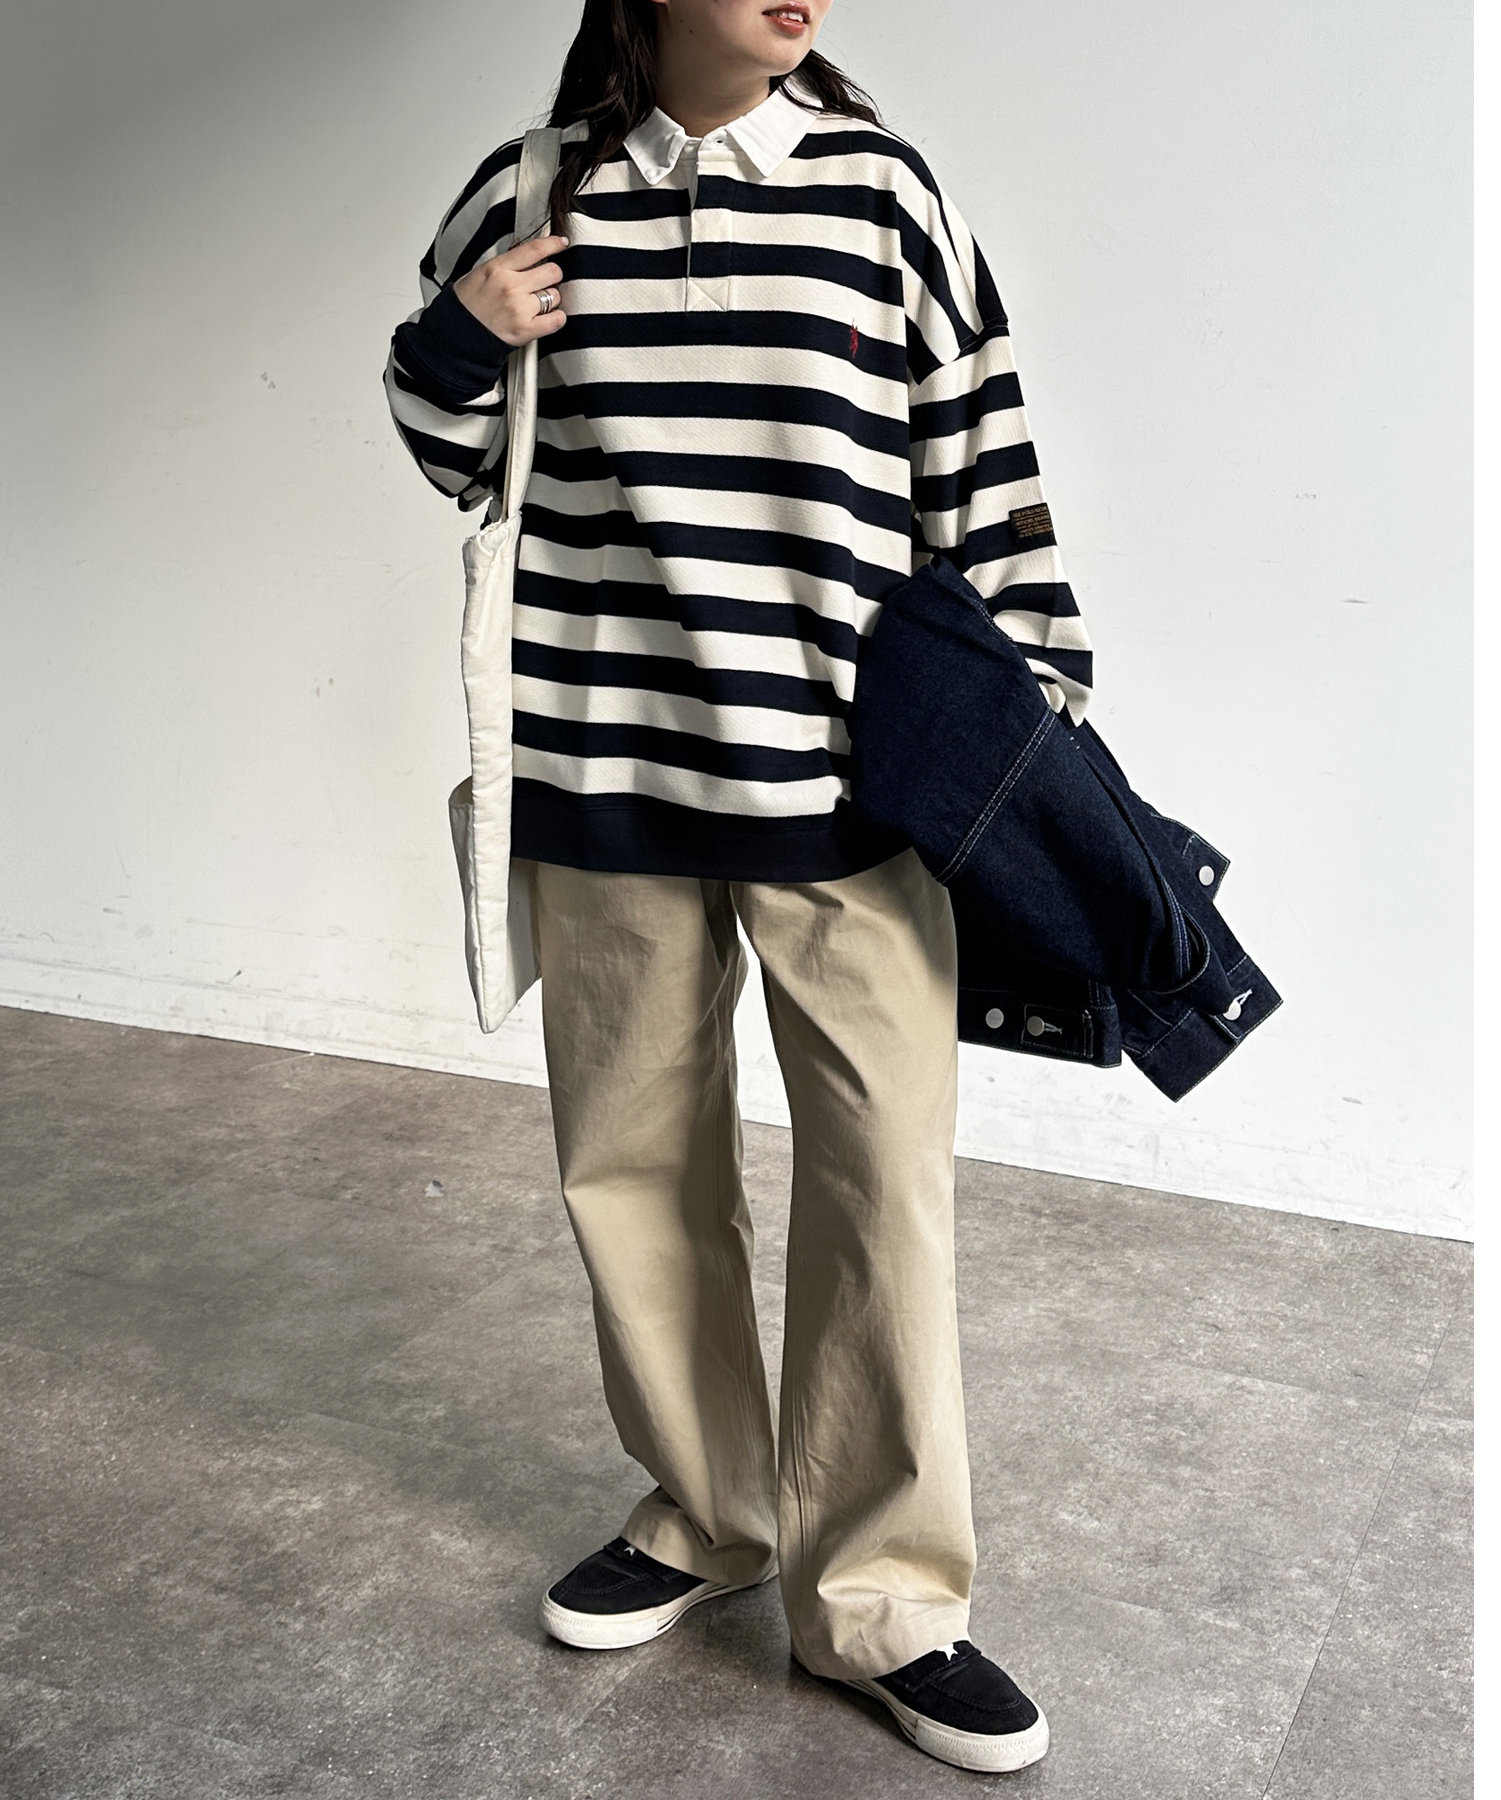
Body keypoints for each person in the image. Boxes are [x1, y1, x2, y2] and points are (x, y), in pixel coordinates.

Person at [384, 0, 1092, 1775]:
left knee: (883, 1184)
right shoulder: (532, 190)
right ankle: (705, 1514)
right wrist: (464, 336)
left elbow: (979, 459)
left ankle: (884, 1601)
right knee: (631, 1166)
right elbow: (452, 447)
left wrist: (1039, 705)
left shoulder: (882, 194)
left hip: (850, 790)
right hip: (609, 771)